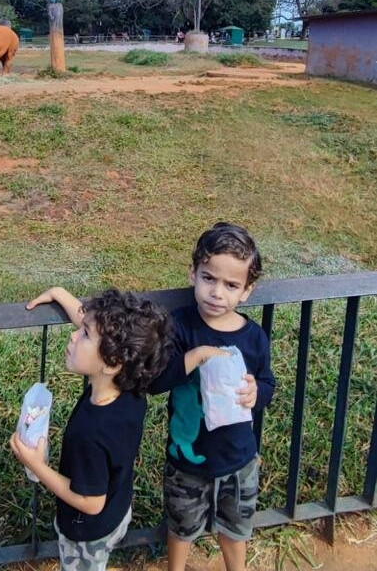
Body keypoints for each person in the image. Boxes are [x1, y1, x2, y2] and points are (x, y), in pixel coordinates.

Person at [10, 286, 173, 571]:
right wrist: (60, 294)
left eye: (84, 334)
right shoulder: (131, 387)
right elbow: (104, 334)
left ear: (112, 363)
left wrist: (35, 465)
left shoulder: (92, 432)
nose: (74, 336)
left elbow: (90, 502)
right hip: (118, 509)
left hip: (87, 533)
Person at [149, 222, 275, 571]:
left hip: (239, 459)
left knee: (236, 529)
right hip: (186, 462)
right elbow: (157, 382)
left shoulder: (254, 338)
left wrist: (256, 392)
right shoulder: (179, 326)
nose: (217, 292)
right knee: (181, 527)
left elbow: (267, 383)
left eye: (231, 285)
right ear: (193, 273)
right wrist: (195, 355)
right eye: (209, 278)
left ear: (247, 290)